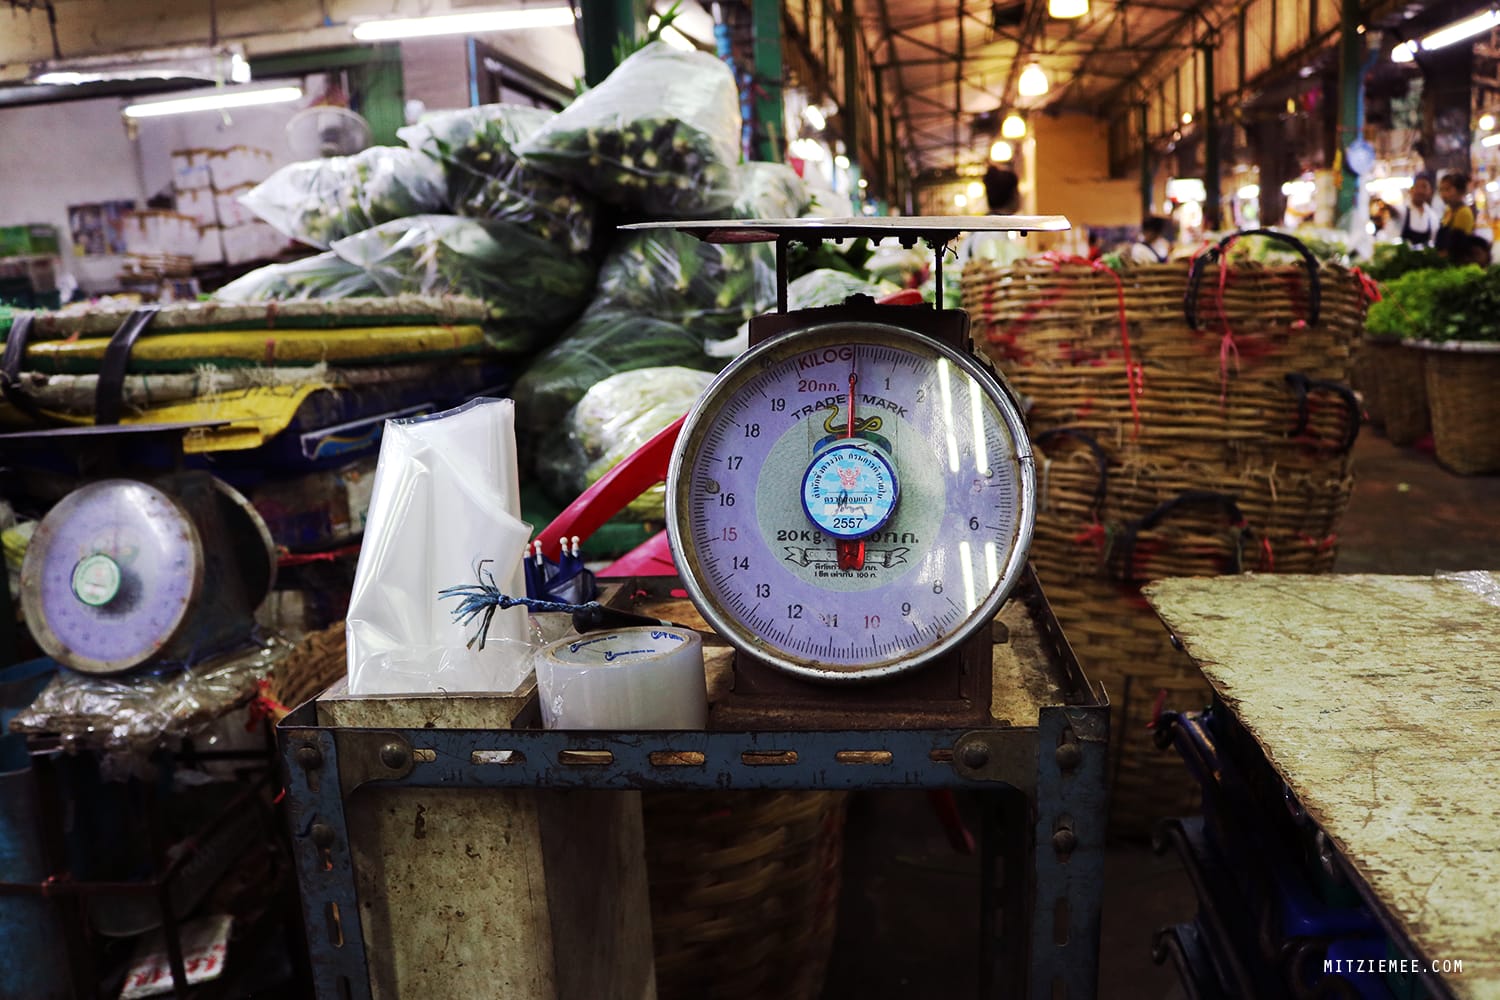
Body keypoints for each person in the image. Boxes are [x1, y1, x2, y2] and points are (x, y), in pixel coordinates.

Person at [1435, 171, 1476, 257]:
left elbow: (1458, 246)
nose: (1443, 194)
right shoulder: (1449, 210)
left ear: (1460, 191)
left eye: (1447, 189)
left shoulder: (1463, 213)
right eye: (1441, 190)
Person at [1400, 172, 1439, 246]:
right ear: (1411, 189)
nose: (1420, 191)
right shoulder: (1402, 211)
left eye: (1424, 187)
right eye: (1417, 186)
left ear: (1430, 191)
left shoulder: (1433, 217)